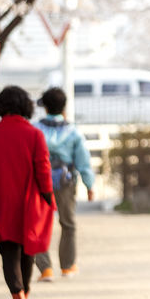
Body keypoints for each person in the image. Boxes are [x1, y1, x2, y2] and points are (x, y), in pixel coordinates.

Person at [0, 86, 54, 299]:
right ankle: (24, 296)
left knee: (9, 253)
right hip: (30, 203)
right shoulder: (35, 135)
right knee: (28, 254)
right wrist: (48, 197)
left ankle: (17, 298)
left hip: (0, 201)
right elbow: (43, 169)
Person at [33, 87, 96, 281]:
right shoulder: (73, 132)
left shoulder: (35, 128)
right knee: (68, 223)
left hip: (39, 181)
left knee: (38, 224)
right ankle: (67, 266)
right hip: (65, 181)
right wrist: (89, 184)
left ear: (45, 108)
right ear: (64, 107)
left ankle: (45, 268)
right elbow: (83, 161)